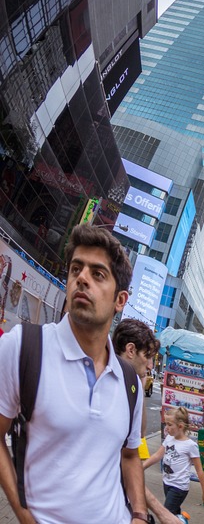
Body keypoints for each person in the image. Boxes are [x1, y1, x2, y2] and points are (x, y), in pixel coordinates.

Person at [0, 224, 147, 523]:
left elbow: (130, 456)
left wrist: (140, 515)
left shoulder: (130, 382)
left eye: (98, 274)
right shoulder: (24, 346)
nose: (82, 278)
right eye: (76, 269)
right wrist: (23, 513)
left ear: (120, 300)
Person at [112, 318, 183, 524]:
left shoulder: (130, 386)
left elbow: (139, 434)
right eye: (148, 357)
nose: (151, 365)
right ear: (131, 350)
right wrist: (160, 513)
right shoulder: (108, 388)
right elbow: (124, 462)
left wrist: (140, 387)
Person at [143, 407, 204, 514]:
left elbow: (199, 470)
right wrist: (141, 467)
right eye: (166, 424)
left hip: (179, 487)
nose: (166, 428)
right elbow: (157, 455)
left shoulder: (190, 446)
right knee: (174, 514)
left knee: (166, 514)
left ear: (180, 426)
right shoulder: (169, 438)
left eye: (170, 425)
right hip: (167, 482)